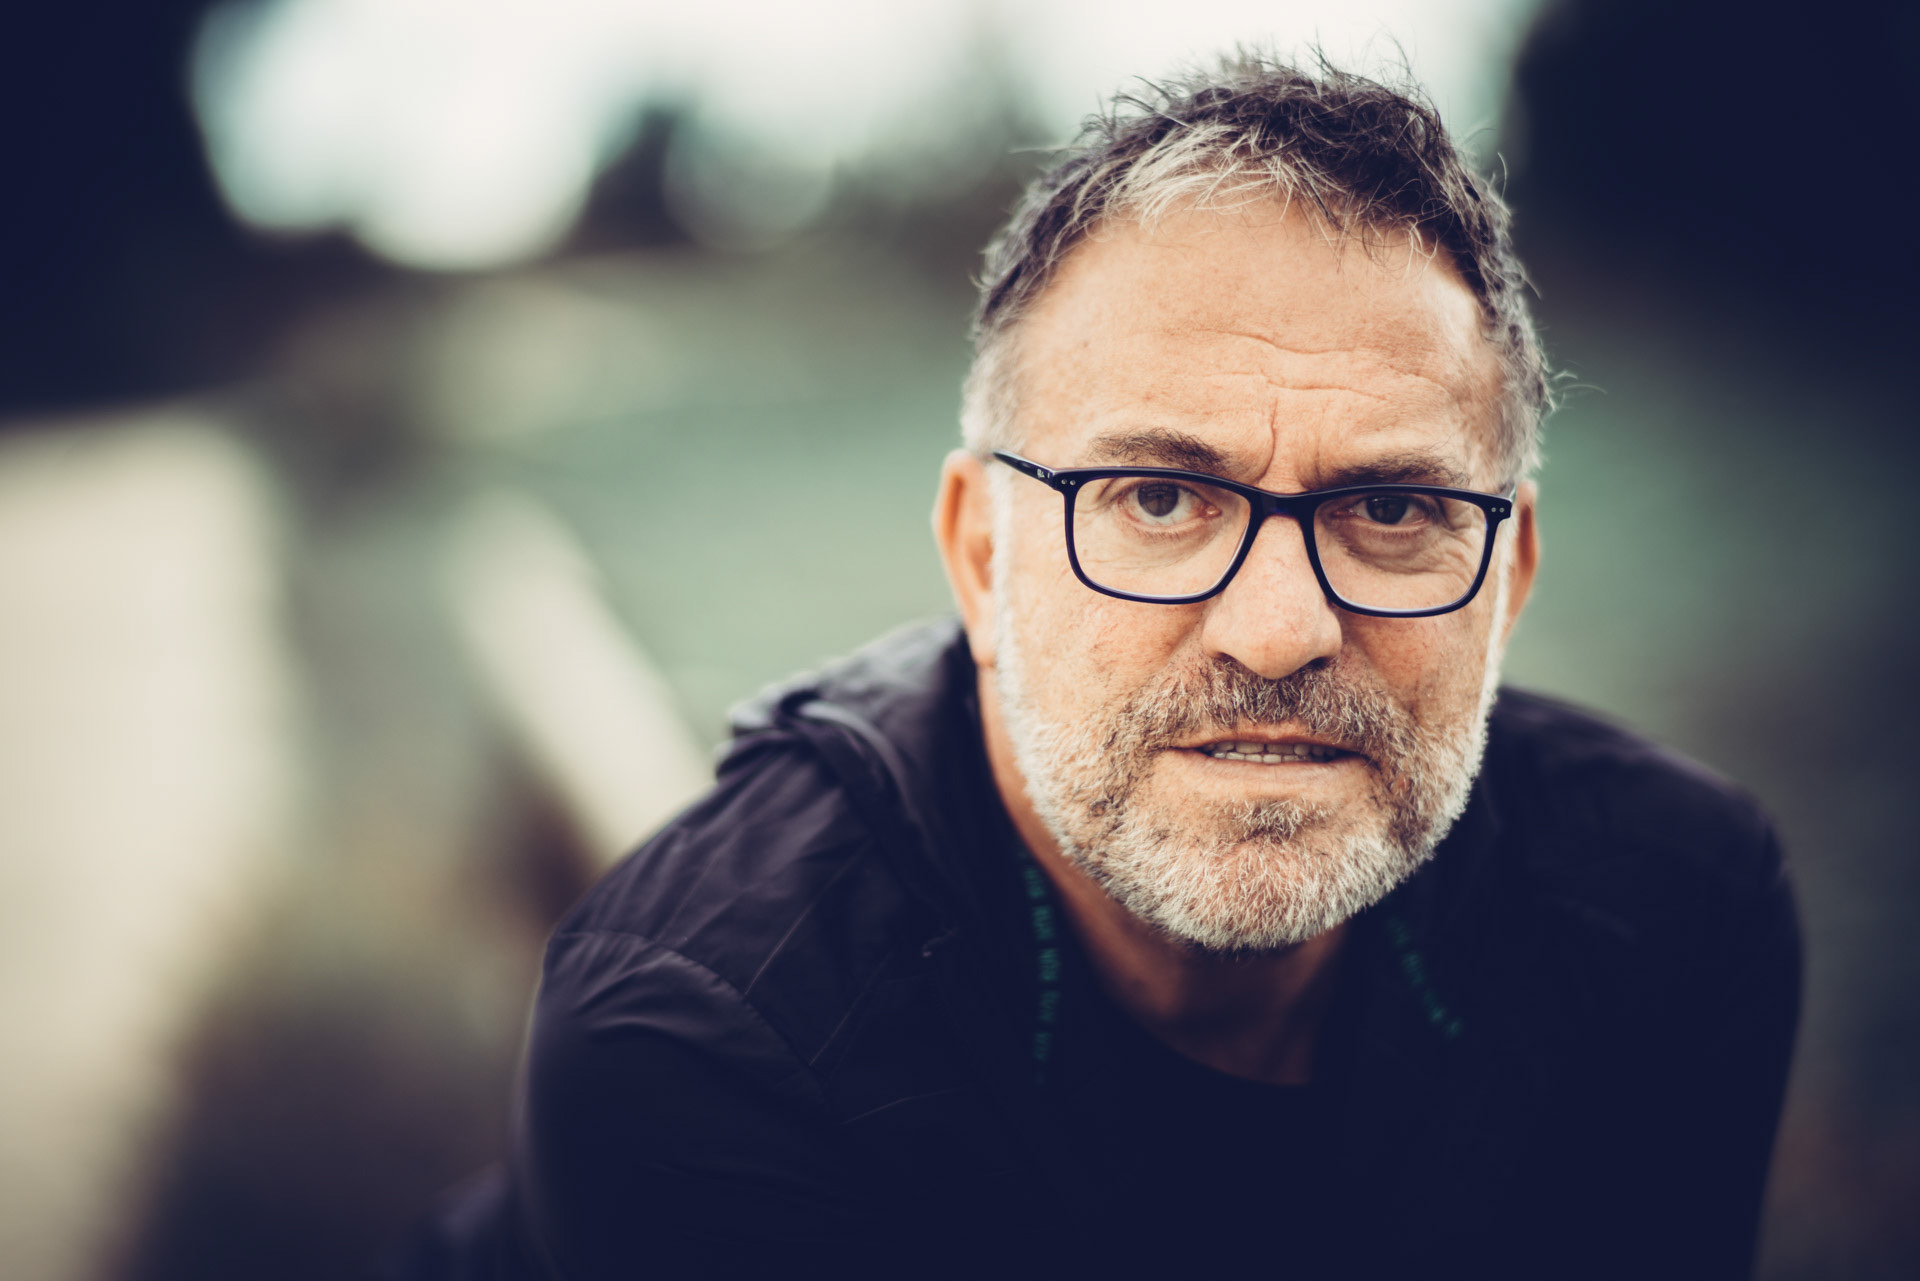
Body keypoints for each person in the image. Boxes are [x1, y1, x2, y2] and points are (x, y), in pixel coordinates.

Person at [409, 54, 1800, 1280]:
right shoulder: (719, 1046)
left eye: (1389, 508)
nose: (1277, 629)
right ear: (981, 557)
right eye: (1157, 497)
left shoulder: (1674, 913)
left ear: (1508, 580)